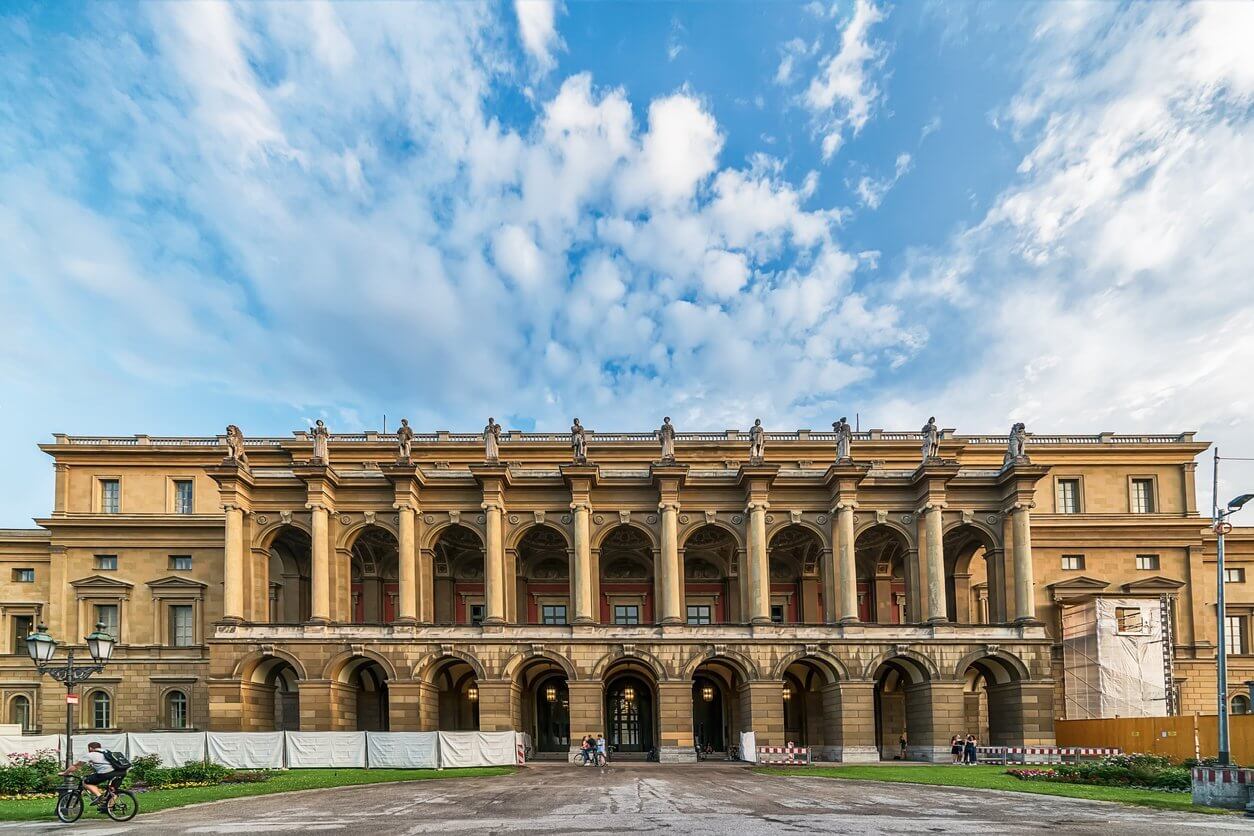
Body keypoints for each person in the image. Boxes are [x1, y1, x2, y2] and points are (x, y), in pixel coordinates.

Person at [60, 741, 127, 805]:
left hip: (107, 773)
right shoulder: (107, 752)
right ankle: (109, 809)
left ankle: (99, 796)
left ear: (90, 748)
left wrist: (65, 773)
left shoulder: (90, 755)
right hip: (121, 772)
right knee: (112, 791)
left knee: (86, 782)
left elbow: (76, 766)